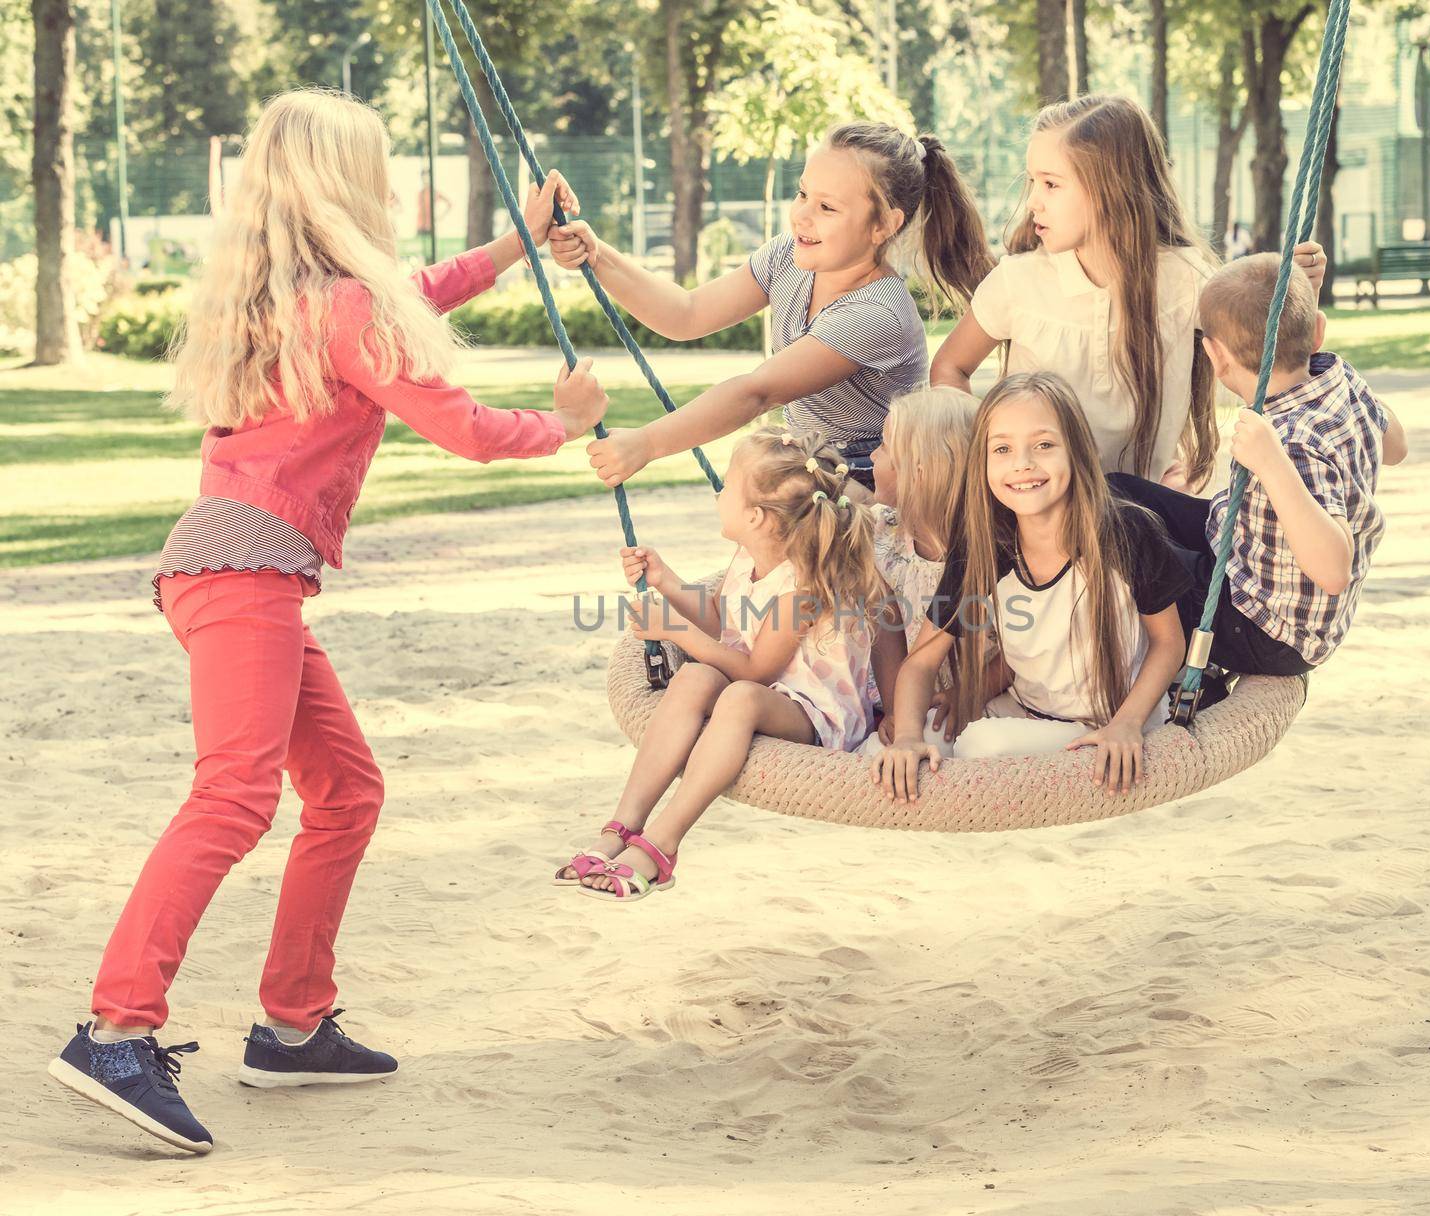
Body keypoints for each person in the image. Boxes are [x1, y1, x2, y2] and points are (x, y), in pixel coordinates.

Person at [47, 88, 609, 1155]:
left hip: (230, 567)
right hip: (245, 574)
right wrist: (563, 422)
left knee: (346, 790)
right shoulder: (342, 306)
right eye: (376, 166)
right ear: (342, 183)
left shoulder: (296, 296)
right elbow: (470, 428)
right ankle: (115, 1029)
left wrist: (514, 244)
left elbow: (415, 293)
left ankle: (293, 1023)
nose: (388, 185)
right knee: (235, 794)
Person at [547, 122, 992, 492]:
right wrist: (599, 256)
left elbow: (757, 392)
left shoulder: (878, 312)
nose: (802, 215)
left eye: (827, 207)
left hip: (868, 485)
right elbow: (686, 315)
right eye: (802, 194)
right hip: (810, 469)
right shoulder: (790, 256)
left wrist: (646, 443)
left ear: (883, 225)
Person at [931, 95, 1328, 492]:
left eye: (1051, 184)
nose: (1033, 200)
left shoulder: (1185, 278)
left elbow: (1267, 366)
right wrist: (987, 458)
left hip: (1142, 518)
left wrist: (1297, 294)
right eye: (1034, 181)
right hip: (1039, 518)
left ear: (1112, 189)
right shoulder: (1018, 281)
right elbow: (949, 367)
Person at [556, 427, 881, 901]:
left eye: (726, 485)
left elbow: (755, 673)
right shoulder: (746, 557)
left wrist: (673, 630)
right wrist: (666, 580)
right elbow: (721, 625)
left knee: (740, 697)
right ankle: (622, 826)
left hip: (818, 712)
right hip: (766, 694)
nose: (718, 492)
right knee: (692, 675)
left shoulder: (802, 590)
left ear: (754, 516)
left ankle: (662, 845)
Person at [872, 372, 1193, 803]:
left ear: (1079, 451)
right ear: (981, 464)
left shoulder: (1125, 532)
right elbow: (920, 663)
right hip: (1024, 708)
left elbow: (1168, 642)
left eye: (1043, 445)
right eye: (1002, 449)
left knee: (982, 748)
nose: (1022, 464)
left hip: (1112, 716)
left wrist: (1127, 723)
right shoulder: (986, 547)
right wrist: (909, 736)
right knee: (887, 748)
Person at [1107, 254, 1406, 683]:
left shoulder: (1292, 444)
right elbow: (1396, 447)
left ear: (1214, 355)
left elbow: (1333, 570)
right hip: (1250, 558)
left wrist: (1272, 463)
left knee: (1116, 536)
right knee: (1114, 493)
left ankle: (1175, 671)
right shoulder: (1340, 379)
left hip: (1265, 629)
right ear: (1318, 330)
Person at [855, 385, 982, 760]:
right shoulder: (882, 534)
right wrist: (897, 709)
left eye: (883, 446)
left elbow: (1016, 646)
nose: (873, 455)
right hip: (906, 685)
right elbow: (885, 626)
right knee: (878, 749)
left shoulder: (987, 548)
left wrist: (972, 690)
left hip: (975, 687)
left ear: (919, 473)